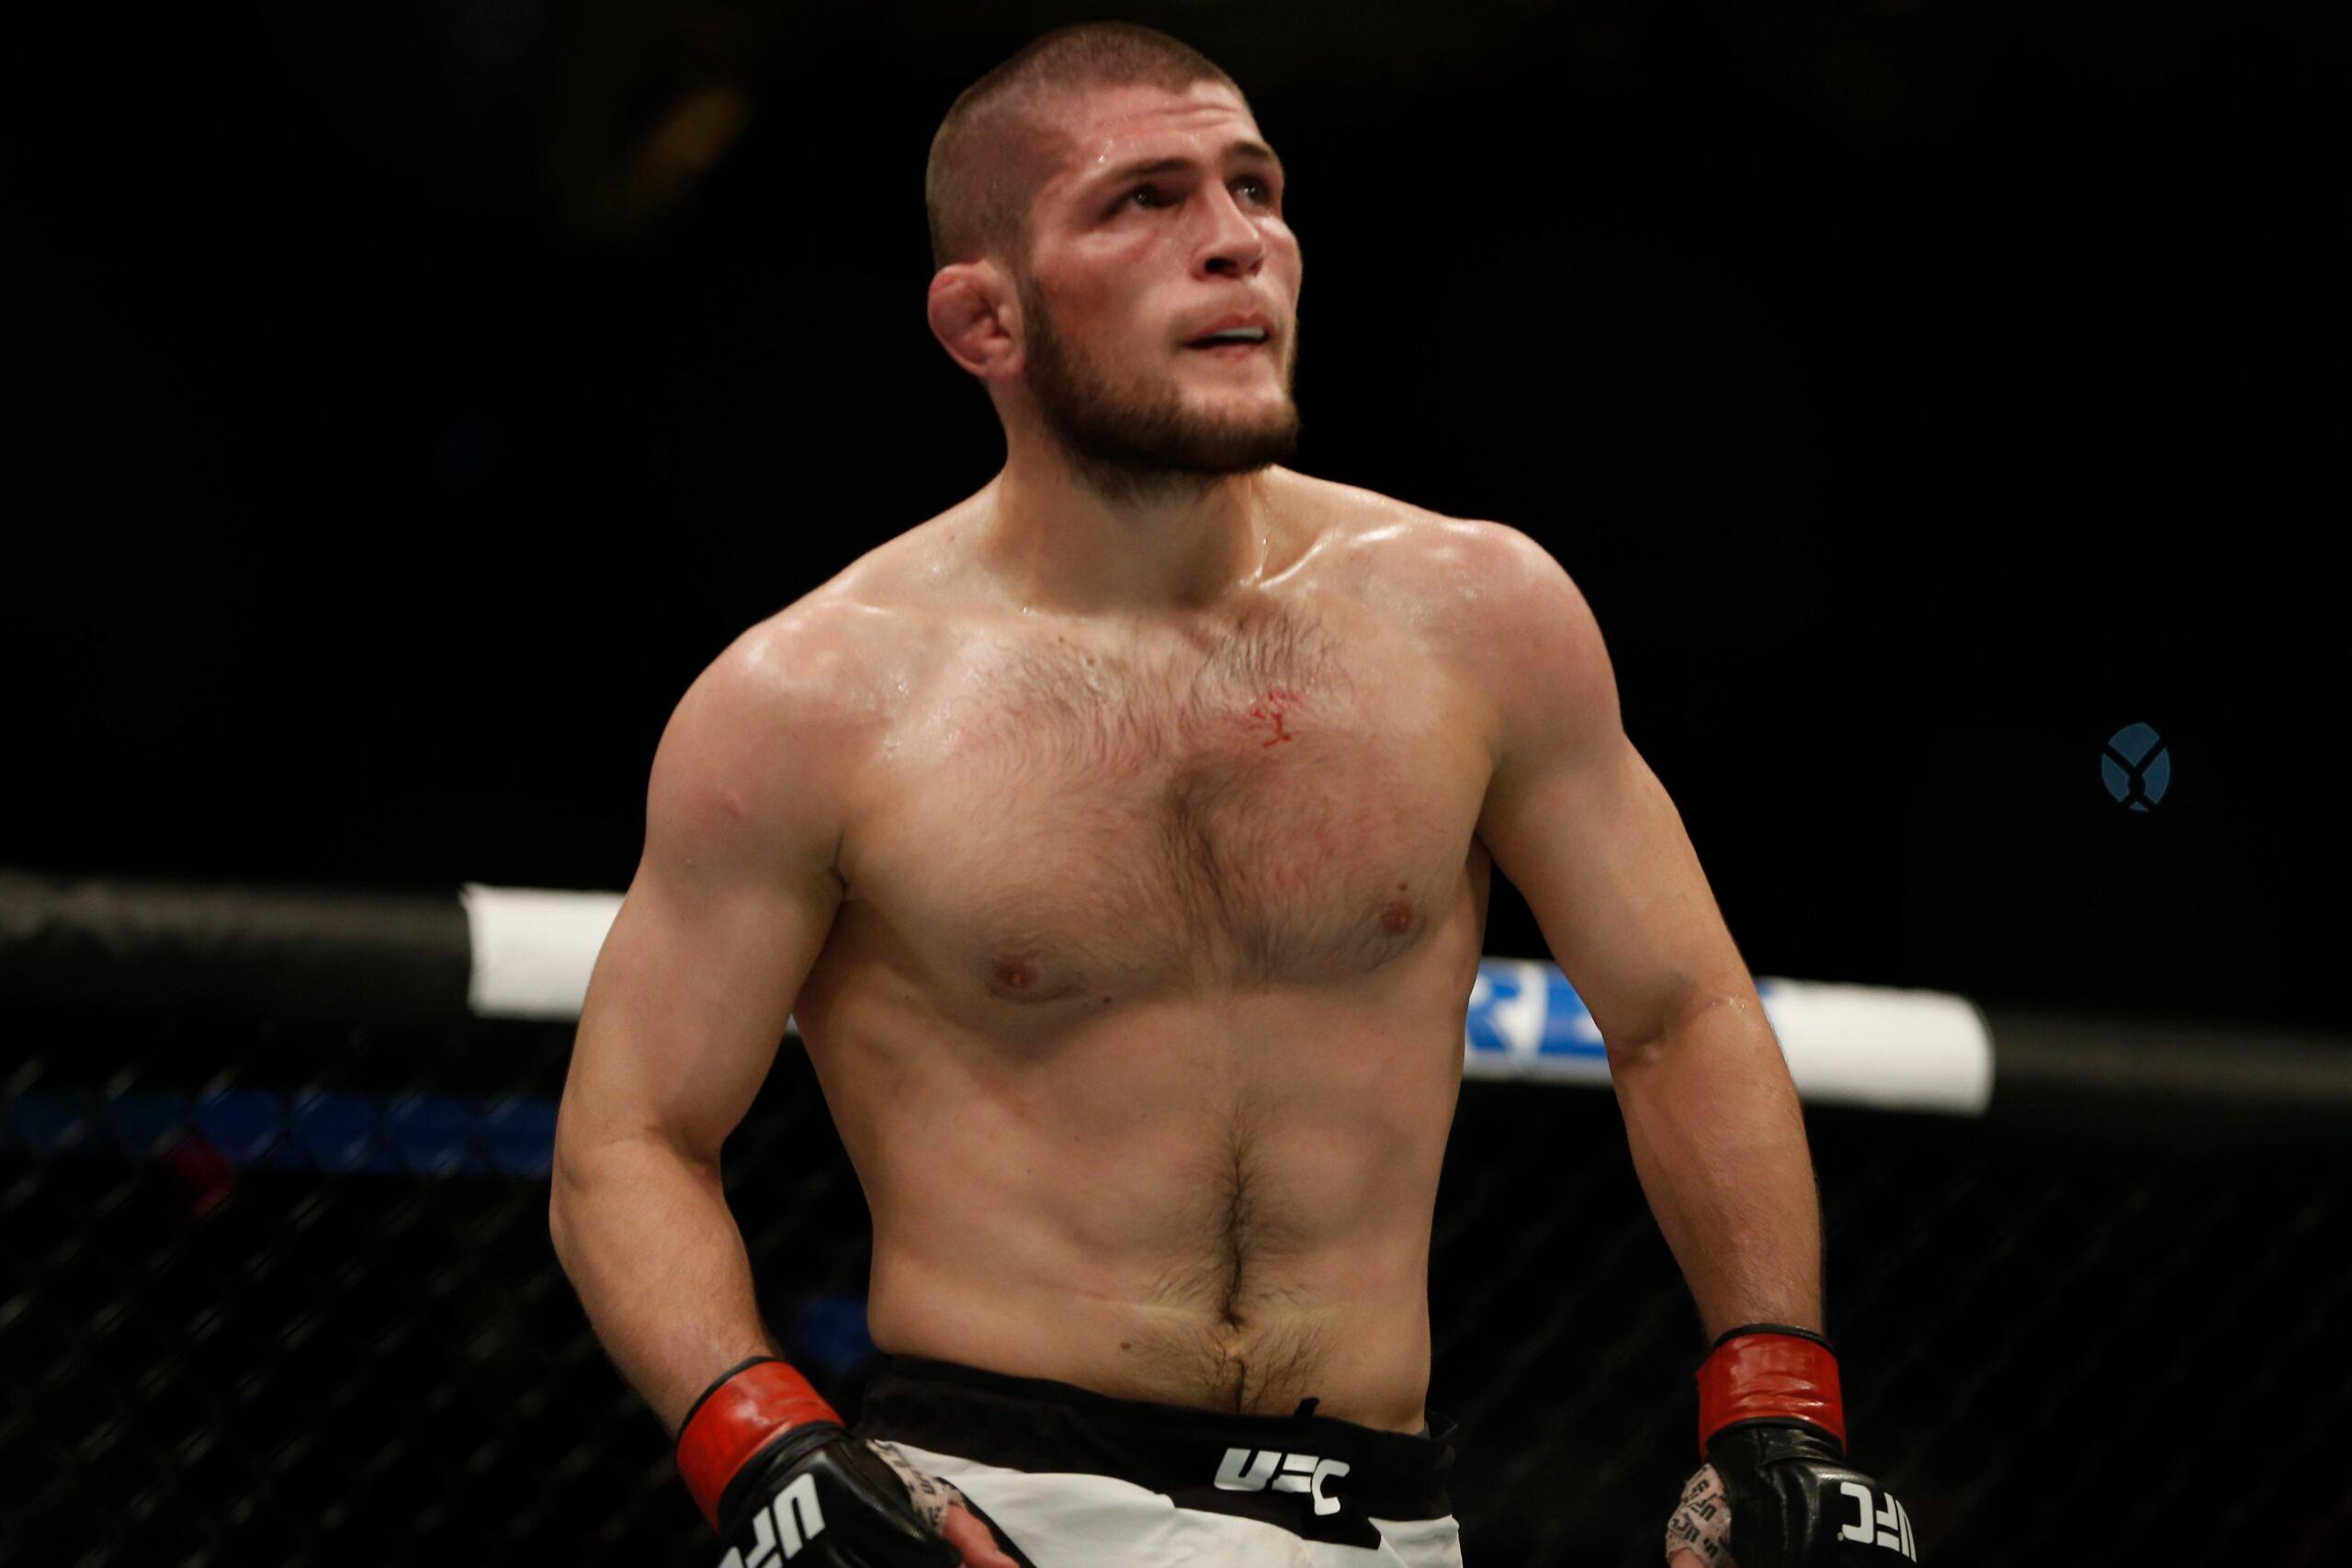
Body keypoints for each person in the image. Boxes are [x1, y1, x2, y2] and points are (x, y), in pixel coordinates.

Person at [549, 21, 1912, 1567]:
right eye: (1144, 199)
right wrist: (765, 1449)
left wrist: (1779, 1409)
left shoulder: (1480, 619)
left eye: (1254, 187)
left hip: (1389, 1519)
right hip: (998, 1511)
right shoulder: (812, 703)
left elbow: (1682, 1014)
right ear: (985, 319)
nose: (1234, 241)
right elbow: (630, 1139)